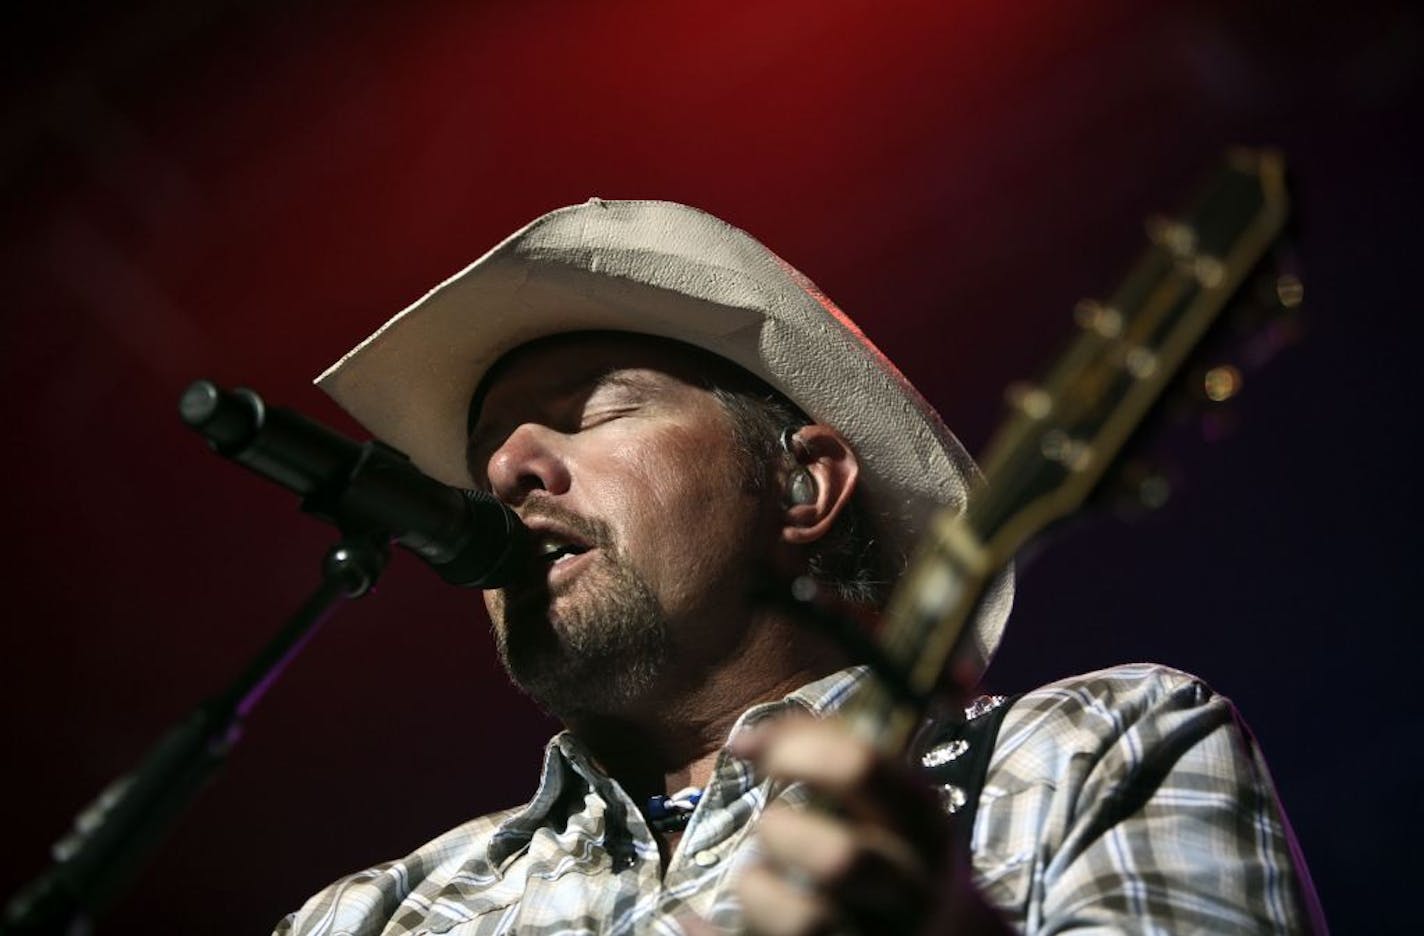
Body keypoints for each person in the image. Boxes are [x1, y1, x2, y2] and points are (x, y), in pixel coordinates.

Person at [276, 199, 1324, 934]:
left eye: (592, 411)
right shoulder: (373, 915)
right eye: (488, 455)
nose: (506, 468)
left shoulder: (1087, 751)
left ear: (801, 487)